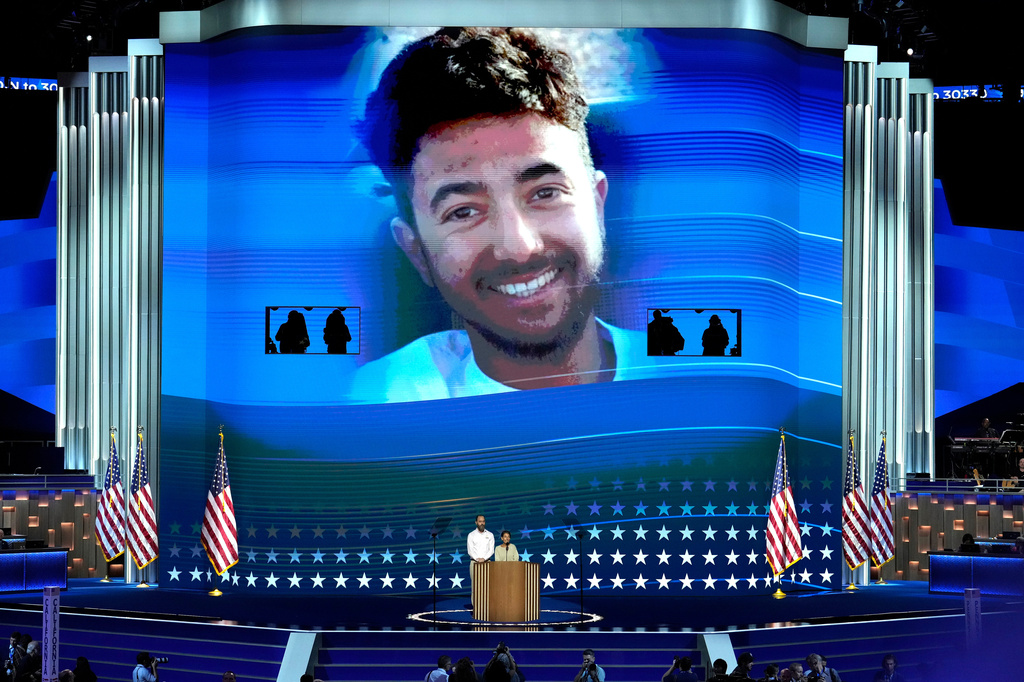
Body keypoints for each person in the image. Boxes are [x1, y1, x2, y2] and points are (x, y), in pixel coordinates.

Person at [353, 27, 652, 402]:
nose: (519, 247)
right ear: (417, 253)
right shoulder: (369, 407)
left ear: (596, 203)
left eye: (545, 193)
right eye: (462, 212)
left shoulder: (702, 379)